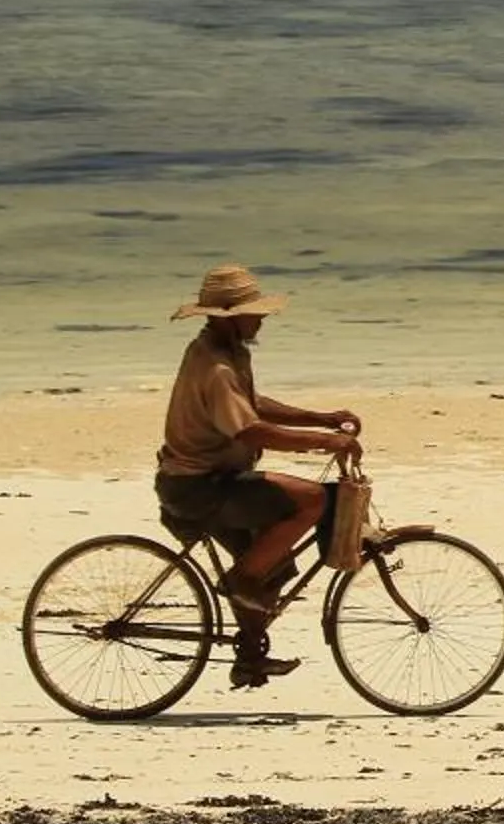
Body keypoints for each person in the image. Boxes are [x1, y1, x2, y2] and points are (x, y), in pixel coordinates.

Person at [155, 263, 361, 688]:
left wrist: (320, 419)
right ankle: (240, 581)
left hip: (208, 480)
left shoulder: (226, 352)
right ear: (231, 316)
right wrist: (326, 443)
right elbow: (250, 429)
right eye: (255, 312)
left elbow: (252, 404)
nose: (262, 317)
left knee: (275, 567)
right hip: (201, 487)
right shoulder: (217, 366)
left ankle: (249, 657)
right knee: (314, 499)